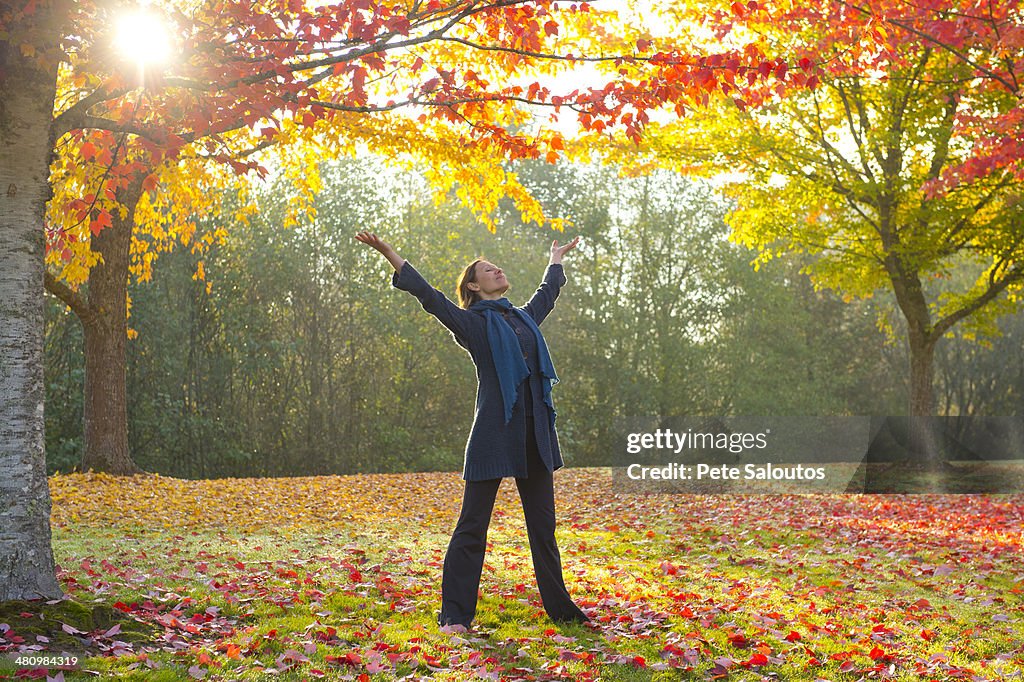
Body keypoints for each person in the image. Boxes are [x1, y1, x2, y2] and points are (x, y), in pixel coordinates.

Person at [354, 230, 591, 631]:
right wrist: (390, 252)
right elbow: (429, 297)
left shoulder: (522, 318)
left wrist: (555, 259)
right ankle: (455, 616)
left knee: (543, 530)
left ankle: (563, 612)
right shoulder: (472, 325)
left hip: (535, 436)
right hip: (493, 438)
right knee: (472, 528)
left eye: (496, 266)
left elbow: (547, 294)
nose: (497, 269)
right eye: (487, 269)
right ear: (474, 285)